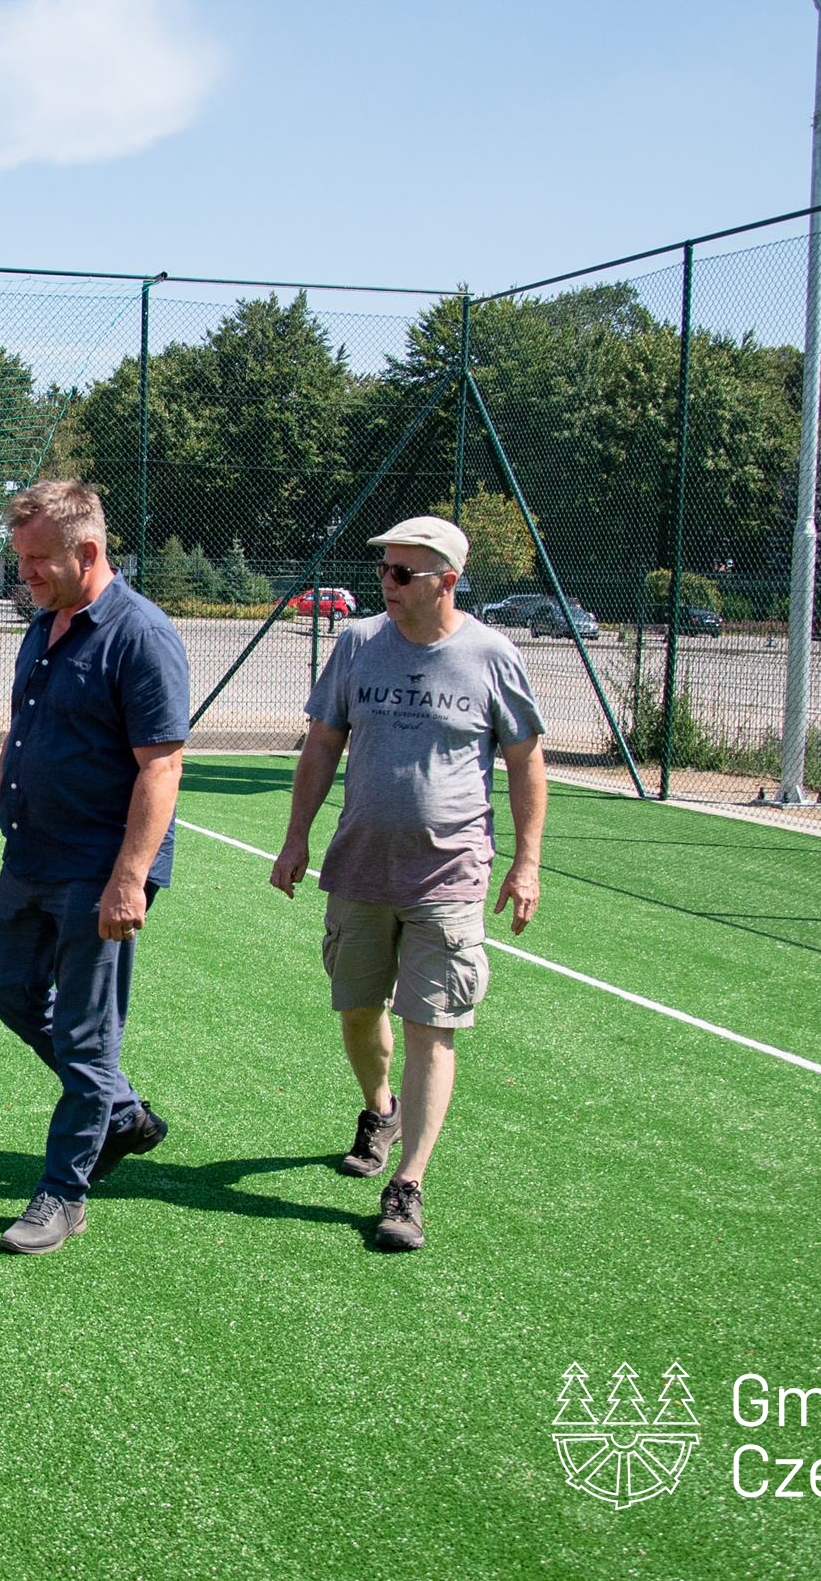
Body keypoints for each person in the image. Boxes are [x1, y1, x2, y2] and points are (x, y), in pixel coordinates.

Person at [268, 515, 546, 1253]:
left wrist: (526, 862)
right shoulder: (358, 645)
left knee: (431, 1027)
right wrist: (296, 838)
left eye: (400, 574)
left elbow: (525, 761)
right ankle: (379, 1109)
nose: (384, 585)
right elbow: (323, 743)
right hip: (359, 867)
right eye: (382, 571)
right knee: (360, 1012)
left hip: (450, 874)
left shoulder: (491, 655)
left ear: (446, 582)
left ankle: (409, 1183)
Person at [0, 480, 189, 1255]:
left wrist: (130, 878)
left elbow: (161, 767)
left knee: (89, 1040)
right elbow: (20, 737)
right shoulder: (44, 626)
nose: (22, 575)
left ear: (88, 552)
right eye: (19, 559)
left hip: (98, 867)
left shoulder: (142, 636)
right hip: (30, 855)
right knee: (9, 992)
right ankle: (119, 1115)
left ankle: (63, 1192)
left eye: (36, 561)